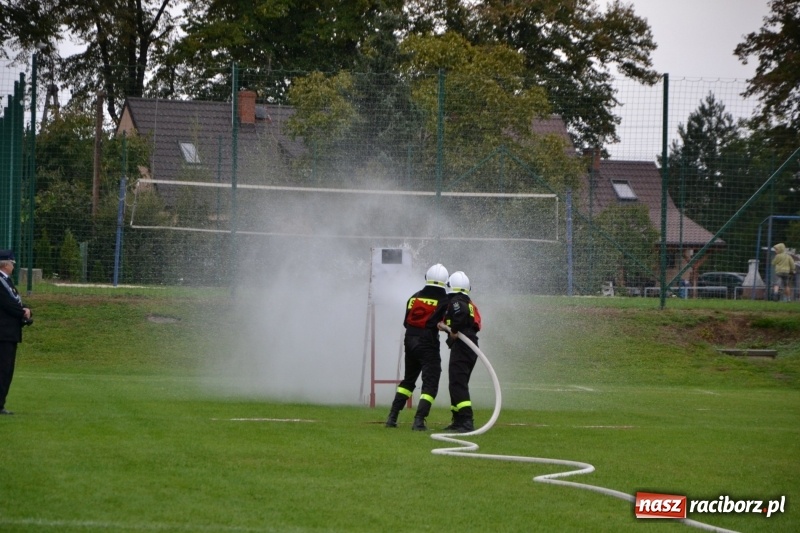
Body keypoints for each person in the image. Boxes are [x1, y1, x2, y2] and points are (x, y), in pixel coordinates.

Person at [385, 263, 449, 431]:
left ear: (426, 277)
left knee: (408, 380)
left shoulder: (414, 297)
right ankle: (419, 421)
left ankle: (392, 417)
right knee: (430, 382)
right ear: (445, 281)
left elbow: (406, 322)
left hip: (410, 339)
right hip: (428, 342)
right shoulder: (444, 300)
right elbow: (447, 323)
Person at [440, 271, 481, 433]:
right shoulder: (467, 301)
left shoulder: (457, 301)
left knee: (458, 384)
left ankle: (466, 421)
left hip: (463, 346)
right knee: (456, 384)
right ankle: (457, 420)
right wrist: (446, 328)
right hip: (467, 345)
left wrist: (454, 329)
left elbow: (460, 314)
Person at [0, 250, 32, 416]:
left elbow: (15, 299)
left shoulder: (7, 281)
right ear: (5, 264)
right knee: (3, 369)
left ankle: (1, 403)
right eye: (12, 263)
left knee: (7, 369)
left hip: (9, 333)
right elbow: (7, 304)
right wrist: (22, 312)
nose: (13, 266)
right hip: (3, 333)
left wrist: (27, 309)